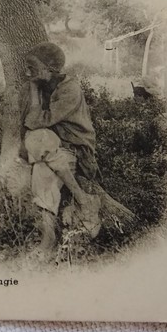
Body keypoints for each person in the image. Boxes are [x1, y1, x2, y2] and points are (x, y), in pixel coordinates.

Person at [19, 42, 102, 257]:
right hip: (54, 150)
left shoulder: (70, 89)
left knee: (37, 140)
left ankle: (76, 204)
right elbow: (32, 124)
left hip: (76, 149)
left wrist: (34, 89)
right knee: (41, 169)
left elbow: (40, 121)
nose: (27, 72)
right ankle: (52, 234)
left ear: (49, 68)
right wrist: (35, 87)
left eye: (32, 67)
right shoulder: (45, 85)